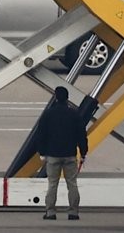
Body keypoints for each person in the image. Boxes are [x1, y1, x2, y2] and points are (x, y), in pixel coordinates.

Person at [35, 86, 88, 221]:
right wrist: (83, 152)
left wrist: (42, 152)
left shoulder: (48, 114)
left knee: (52, 184)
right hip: (70, 154)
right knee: (72, 184)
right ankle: (73, 212)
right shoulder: (74, 114)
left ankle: (50, 212)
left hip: (52, 155)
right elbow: (81, 135)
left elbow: (41, 134)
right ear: (67, 98)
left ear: (56, 97)